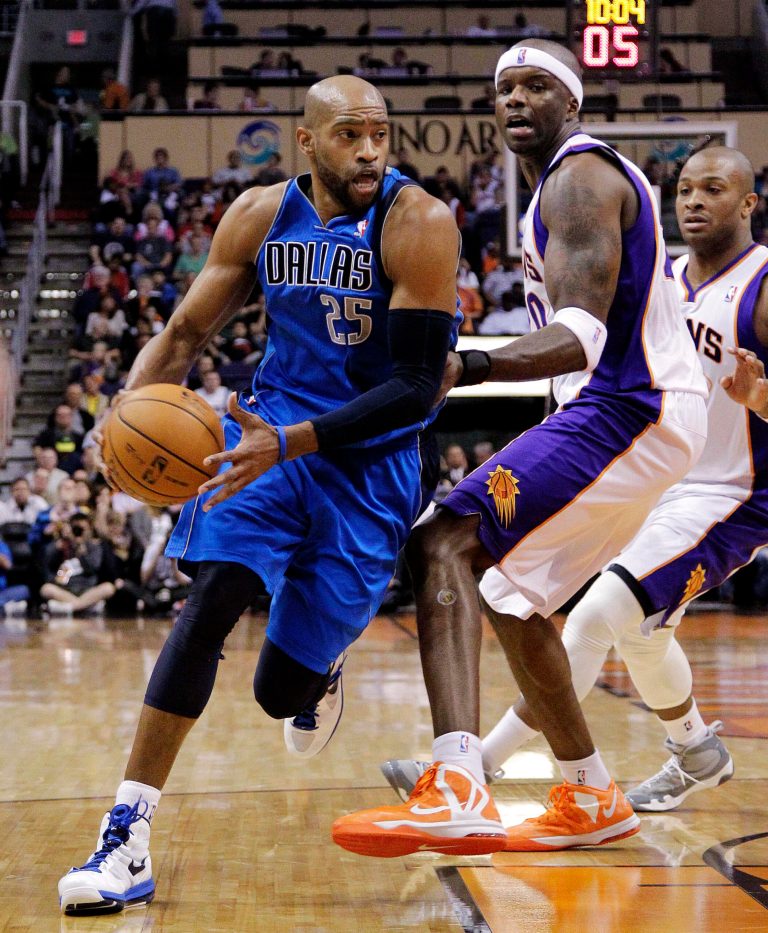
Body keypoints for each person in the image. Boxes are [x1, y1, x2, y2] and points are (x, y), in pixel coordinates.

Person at [57, 74, 460, 915]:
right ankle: (125, 836)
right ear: (306, 140)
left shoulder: (417, 222)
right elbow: (183, 332)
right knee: (211, 601)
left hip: (370, 461)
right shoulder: (258, 215)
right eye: (351, 135)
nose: (371, 151)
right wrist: (120, 415)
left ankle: (317, 673)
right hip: (265, 440)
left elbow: (419, 388)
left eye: (381, 135)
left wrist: (302, 439)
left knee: (279, 692)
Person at [332, 39, 707, 858]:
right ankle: (590, 792)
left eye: (537, 85)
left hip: (630, 405)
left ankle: (459, 782)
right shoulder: (553, 190)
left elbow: (578, 336)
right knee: (507, 594)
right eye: (504, 87)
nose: (515, 99)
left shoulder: (579, 176)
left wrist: (463, 363)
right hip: (635, 416)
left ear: (571, 103)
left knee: (444, 540)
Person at [469, 146, 765, 812]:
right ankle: (696, 751)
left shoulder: (763, 281)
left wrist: (762, 396)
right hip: (658, 479)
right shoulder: (660, 276)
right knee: (644, 631)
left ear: (749, 203)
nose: (693, 200)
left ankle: (478, 764)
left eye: (713, 188)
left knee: (599, 615)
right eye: (685, 188)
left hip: (733, 493)